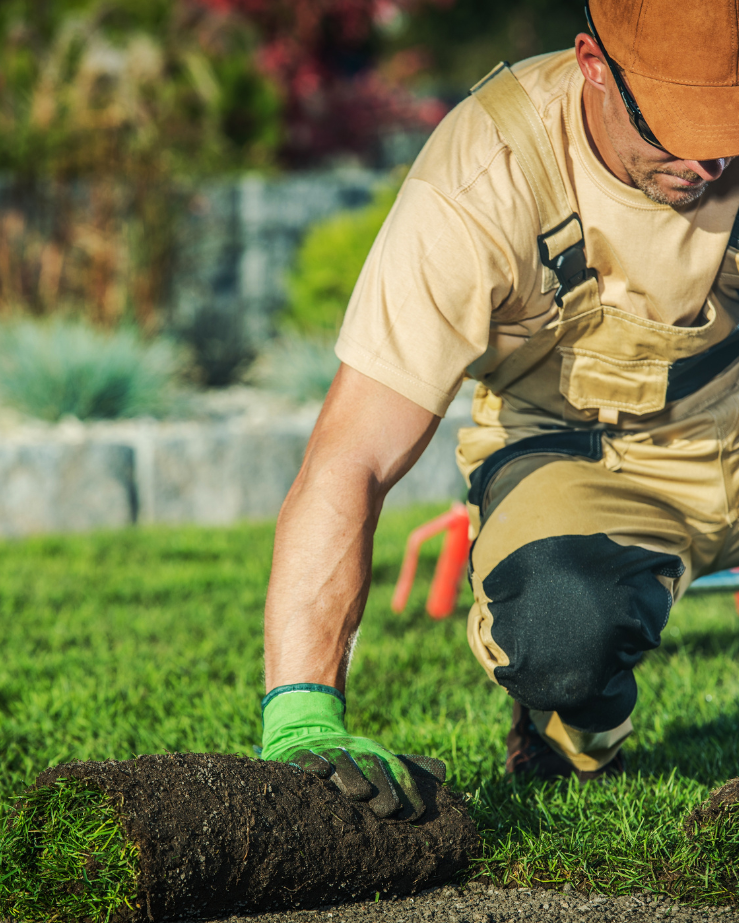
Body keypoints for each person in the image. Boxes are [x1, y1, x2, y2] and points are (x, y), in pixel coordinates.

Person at [259, 0, 739, 820]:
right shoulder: (485, 173)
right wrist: (301, 710)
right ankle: (569, 724)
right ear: (593, 63)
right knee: (559, 629)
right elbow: (353, 456)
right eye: (674, 124)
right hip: (582, 457)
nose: (708, 160)